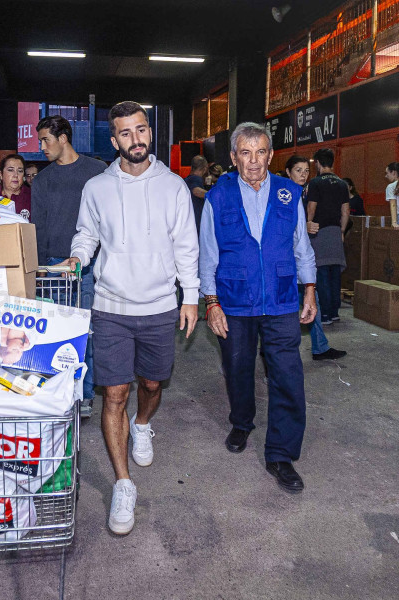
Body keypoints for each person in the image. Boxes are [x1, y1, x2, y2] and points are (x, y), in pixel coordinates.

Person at [65, 101, 199, 535]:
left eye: (141, 130)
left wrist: (191, 296)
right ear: (114, 140)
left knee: (152, 385)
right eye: (126, 133)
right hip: (110, 307)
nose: (136, 139)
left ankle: (143, 425)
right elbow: (87, 233)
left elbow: (186, 246)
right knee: (114, 394)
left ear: (149, 133)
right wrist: (78, 255)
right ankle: (124, 483)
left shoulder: (174, 186)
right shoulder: (97, 187)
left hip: (160, 305)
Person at [200, 122, 317, 495]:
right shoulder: (218, 196)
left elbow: (302, 247)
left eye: (261, 152)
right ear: (233, 157)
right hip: (234, 299)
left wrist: (310, 290)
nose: (254, 161)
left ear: (270, 155)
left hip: (281, 298)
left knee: (287, 375)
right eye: (245, 153)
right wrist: (211, 301)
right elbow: (208, 254)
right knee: (238, 366)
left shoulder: (289, 193)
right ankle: (242, 421)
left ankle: (281, 453)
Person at [31, 115, 107, 415]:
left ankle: (85, 395)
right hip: (51, 265)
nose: (42, 147)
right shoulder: (43, 179)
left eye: (46, 140)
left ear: (63, 138)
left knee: (84, 331)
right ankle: (58, 392)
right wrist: (35, 269)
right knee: (53, 332)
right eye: (40, 141)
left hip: (86, 266)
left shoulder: (97, 171)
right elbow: (37, 226)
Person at [285, 155, 346, 361]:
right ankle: (274, 355)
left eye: (306, 170)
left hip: (301, 260)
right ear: (288, 172)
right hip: (284, 262)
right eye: (298, 170)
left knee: (313, 302)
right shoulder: (282, 195)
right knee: (284, 311)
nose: (303, 174)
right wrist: (304, 226)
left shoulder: (303, 193)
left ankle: (320, 347)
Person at [306, 148, 348, 325]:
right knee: (334, 274)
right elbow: (345, 211)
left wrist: (308, 224)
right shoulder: (342, 184)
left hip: (319, 232)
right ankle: (334, 312)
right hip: (335, 232)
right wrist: (342, 232)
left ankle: (324, 315)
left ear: (317, 163)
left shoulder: (315, 183)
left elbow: (312, 207)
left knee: (321, 272)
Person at [0, 154, 31, 219]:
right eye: (10, 170)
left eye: (20, 171)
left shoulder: (32, 197)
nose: (15, 175)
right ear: (1, 174)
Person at [184, 155, 209, 233]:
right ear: (204, 169)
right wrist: (213, 195)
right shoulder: (196, 179)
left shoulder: (186, 180)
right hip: (195, 219)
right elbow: (196, 191)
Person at [384, 162, 399, 227]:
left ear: (393, 172)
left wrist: (394, 222)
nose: (386, 176)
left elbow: (393, 204)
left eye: (387, 173)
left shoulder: (391, 186)